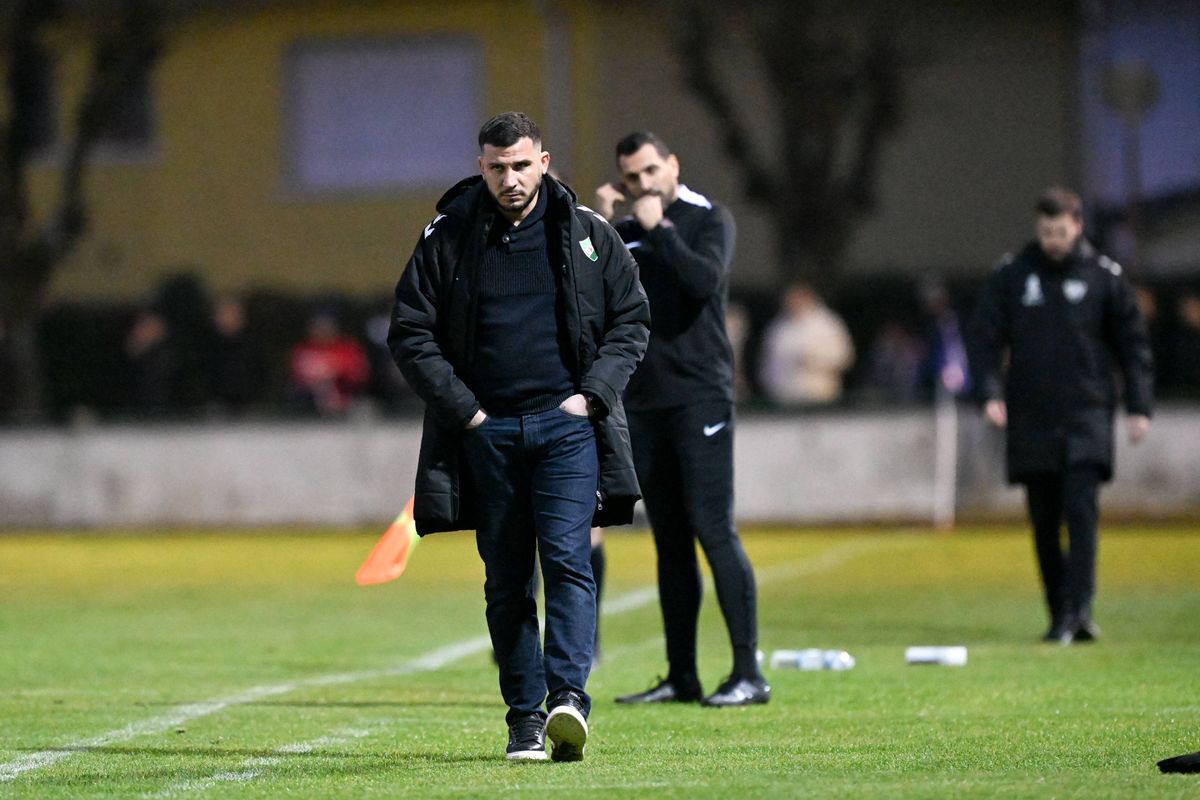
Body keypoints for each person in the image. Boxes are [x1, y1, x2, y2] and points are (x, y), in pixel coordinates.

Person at [388, 112, 649, 761]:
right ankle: (525, 719)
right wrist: (468, 413)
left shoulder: (585, 233)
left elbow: (631, 320)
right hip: (488, 435)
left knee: (567, 563)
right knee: (507, 583)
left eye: (522, 165)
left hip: (566, 433)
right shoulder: (447, 237)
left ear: (544, 161)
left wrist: (589, 399)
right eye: (498, 167)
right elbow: (409, 331)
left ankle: (568, 699)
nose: (511, 178)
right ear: (482, 167)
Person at [594, 131, 769, 707]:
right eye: (631, 177)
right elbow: (587, 294)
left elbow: (703, 282)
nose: (642, 185)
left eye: (650, 172)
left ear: (672, 165)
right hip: (645, 402)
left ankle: (748, 673)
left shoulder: (707, 219)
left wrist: (659, 229)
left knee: (713, 529)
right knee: (669, 541)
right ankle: (682, 675)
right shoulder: (622, 234)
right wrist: (596, 221)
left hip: (700, 397)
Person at [967, 187, 1154, 645]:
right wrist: (990, 391)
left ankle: (1080, 611)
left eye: (1061, 231)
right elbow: (984, 338)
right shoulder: (1013, 276)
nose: (1053, 239)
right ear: (1038, 228)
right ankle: (1058, 611)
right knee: (1044, 519)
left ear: (1078, 226)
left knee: (1082, 512)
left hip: (1087, 412)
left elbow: (1133, 345)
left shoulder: (1104, 277)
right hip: (1032, 415)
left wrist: (1138, 405)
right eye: (1046, 231)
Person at [758, 282, 855, 406]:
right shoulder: (778, 328)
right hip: (784, 398)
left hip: (820, 396)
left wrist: (813, 360)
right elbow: (766, 361)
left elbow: (844, 357)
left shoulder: (828, 323)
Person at [287, 310, 370, 417]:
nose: (322, 331)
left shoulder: (347, 347)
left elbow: (359, 372)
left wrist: (335, 372)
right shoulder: (303, 349)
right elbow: (297, 374)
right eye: (318, 328)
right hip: (310, 393)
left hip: (344, 389)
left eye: (326, 328)